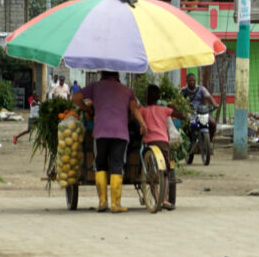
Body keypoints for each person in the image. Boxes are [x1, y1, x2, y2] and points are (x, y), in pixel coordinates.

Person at [73, 72, 146, 214]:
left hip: (101, 132)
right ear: (117, 75)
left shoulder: (95, 87)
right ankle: (116, 204)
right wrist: (142, 124)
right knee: (117, 165)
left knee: (100, 165)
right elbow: (134, 109)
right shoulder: (127, 90)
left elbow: (75, 98)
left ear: (102, 74)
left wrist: (87, 109)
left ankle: (102, 202)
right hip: (120, 133)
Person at [140, 84, 185, 211]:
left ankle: (156, 198)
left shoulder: (143, 110)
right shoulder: (164, 109)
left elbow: (134, 118)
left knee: (151, 172)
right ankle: (164, 199)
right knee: (165, 173)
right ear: (158, 97)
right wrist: (173, 108)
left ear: (147, 97)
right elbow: (181, 116)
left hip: (149, 143)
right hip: (163, 143)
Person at [181, 72, 218, 140]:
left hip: (202, 113)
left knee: (213, 123)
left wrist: (214, 104)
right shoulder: (183, 91)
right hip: (190, 114)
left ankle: (210, 140)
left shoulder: (201, 89)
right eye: (190, 80)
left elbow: (209, 97)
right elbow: (178, 100)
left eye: (194, 80)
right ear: (187, 81)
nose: (192, 82)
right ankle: (189, 141)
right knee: (185, 126)